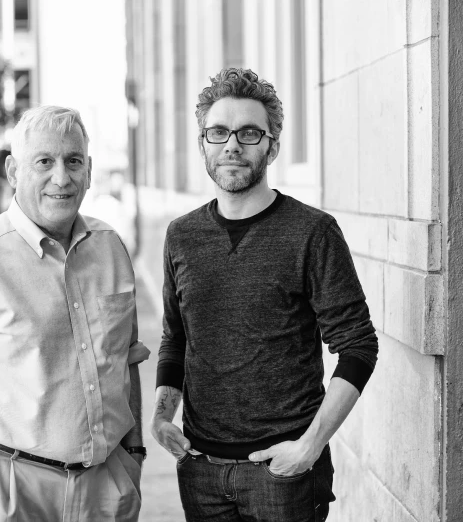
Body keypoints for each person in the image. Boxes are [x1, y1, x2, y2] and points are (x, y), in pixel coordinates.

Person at [150, 68, 379, 521]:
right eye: (218, 132)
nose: (232, 144)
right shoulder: (181, 236)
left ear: (271, 145)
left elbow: (357, 346)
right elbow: (175, 338)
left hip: (283, 475)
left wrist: (310, 447)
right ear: (203, 145)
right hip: (200, 470)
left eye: (249, 132)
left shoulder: (312, 232)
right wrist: (161, 416)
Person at [0, 105, 149, 522]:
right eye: (44, 162)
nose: (62, 177)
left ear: (88, 170)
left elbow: (126, 360)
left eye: (74, 161)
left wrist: (134, 455)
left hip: (106, 491)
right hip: (9, 495)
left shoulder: (111, 248)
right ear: (14, 171)